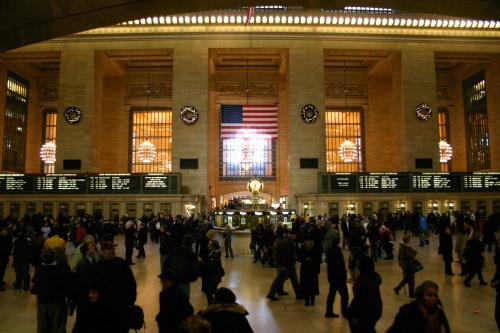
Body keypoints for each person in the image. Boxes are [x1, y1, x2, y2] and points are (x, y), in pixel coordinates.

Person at [92, 242, 137, 332]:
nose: (109, 251)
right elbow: (94, 286)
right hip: (104, 309)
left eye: (110, 249)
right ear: (102, 251)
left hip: (121, 307)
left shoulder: (122, 264)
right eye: (106, 249)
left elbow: (131, 284)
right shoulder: (98, 266)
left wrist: (130, 301)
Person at [32, 249, 73, 333]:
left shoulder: (39, 270)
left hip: (42, 303)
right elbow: (67, 287)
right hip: (57, 303)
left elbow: (35, 284)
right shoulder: (60, 271)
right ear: (54, 258)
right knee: (58, 327)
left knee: (43, 327)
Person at [347, 256, 383, 333]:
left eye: (358, 265)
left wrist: (352, 314)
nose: (356, 267)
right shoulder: (374, 277)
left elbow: (359, 300)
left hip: (365, 313)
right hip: (376, 310)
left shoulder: (362, 282)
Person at [266, 229, 301, 301]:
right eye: (295, 235)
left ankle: (297, 294)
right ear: (292, 235)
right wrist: (286, 263)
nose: (295, 237)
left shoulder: (283, 240)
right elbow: (286, 254)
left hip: (285, 264)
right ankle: (271, 294)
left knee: (287, 280)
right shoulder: (287, 242)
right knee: (281, 280)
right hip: (287, 265)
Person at [164, 234, 199, 299]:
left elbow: (166, 264)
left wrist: (168, 277)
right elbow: (195, 270)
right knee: (184, 301)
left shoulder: (174, 251)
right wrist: (191, 278)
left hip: (173, 280)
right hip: (184, 281)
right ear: (191, 243)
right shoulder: (192, 254)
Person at [325, 237, 349, 318]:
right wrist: (344, 275)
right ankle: (345, 312)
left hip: (332, 276)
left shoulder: (329, 251)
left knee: (331, 294)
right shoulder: (337, 251)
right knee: (345, 295)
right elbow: (340, 265)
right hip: (339, 277)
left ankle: (328, 311)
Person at [201, 239, 225, 305]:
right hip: (214, 276)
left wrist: (202, 262)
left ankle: (212, 305)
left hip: (213, 277)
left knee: (210, 293)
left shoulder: (214, 255)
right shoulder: (214, 253)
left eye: (209, 244)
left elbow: (210, 266)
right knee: (212, 291)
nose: (207, 245)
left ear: (213, 246)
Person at [298, 239, 320, 306]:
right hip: (313, 268)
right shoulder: (315, 247)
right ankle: (312, 301)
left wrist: (305, 259)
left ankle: (307, 301)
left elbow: (299, 258)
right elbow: (318, 259)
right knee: (312, 284)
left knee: (305, 284)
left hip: (305, 268)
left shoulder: (302, 247)